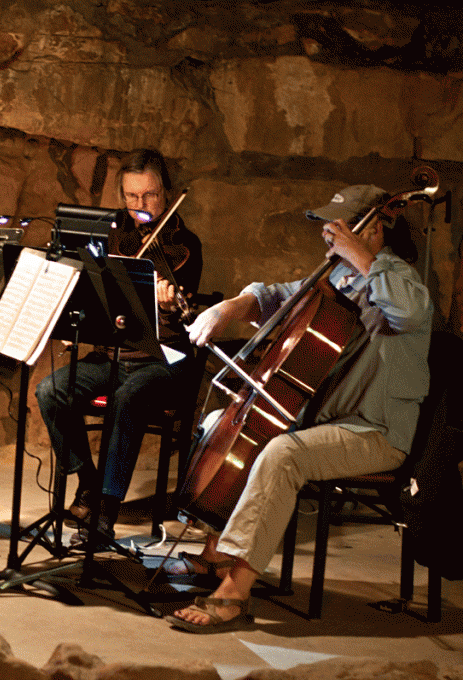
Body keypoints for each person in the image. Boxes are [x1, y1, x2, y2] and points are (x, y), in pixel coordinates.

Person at [165, 184, 433, 633]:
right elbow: (274, 297)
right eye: (328, 227)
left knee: (281, 455)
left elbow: (409, 313)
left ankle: (233, 596)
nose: (328, 235)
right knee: (222, 422)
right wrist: (229, 308)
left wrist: (361, 256)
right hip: (327, 422)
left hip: (375, 433)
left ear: (373, 228)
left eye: (339, 227)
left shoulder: (402, 278)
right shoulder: (338, 278)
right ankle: (215, 555)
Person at [35, 148, 203, 542]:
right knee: (51, 391)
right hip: (112, 355)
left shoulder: (186, 246)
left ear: (166, 192)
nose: (140, 207)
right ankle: (88, 481)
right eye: (130, 197)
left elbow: (188, 315)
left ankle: (105, 515)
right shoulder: (111, 234)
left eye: (149, 196)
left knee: (131, 395)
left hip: (164, 359)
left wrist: (169, 302)